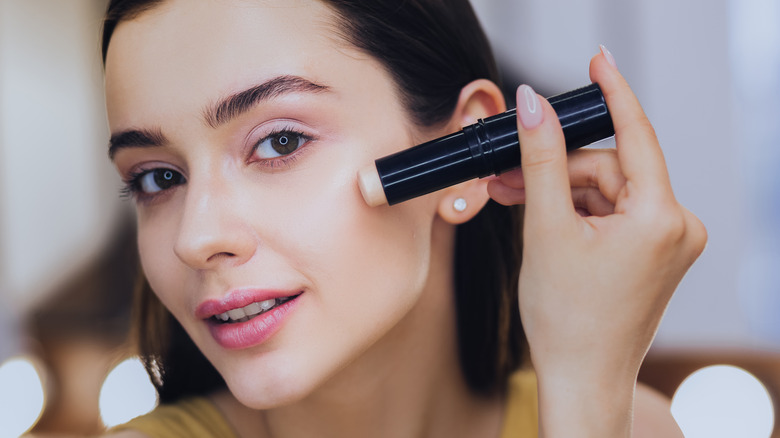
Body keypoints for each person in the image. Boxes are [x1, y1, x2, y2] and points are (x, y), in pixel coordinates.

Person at [101, 0, 706, 437]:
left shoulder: (632, 424)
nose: (196, 238)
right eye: (158, 178)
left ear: (467, 154)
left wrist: (586, 394)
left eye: (281, 142)